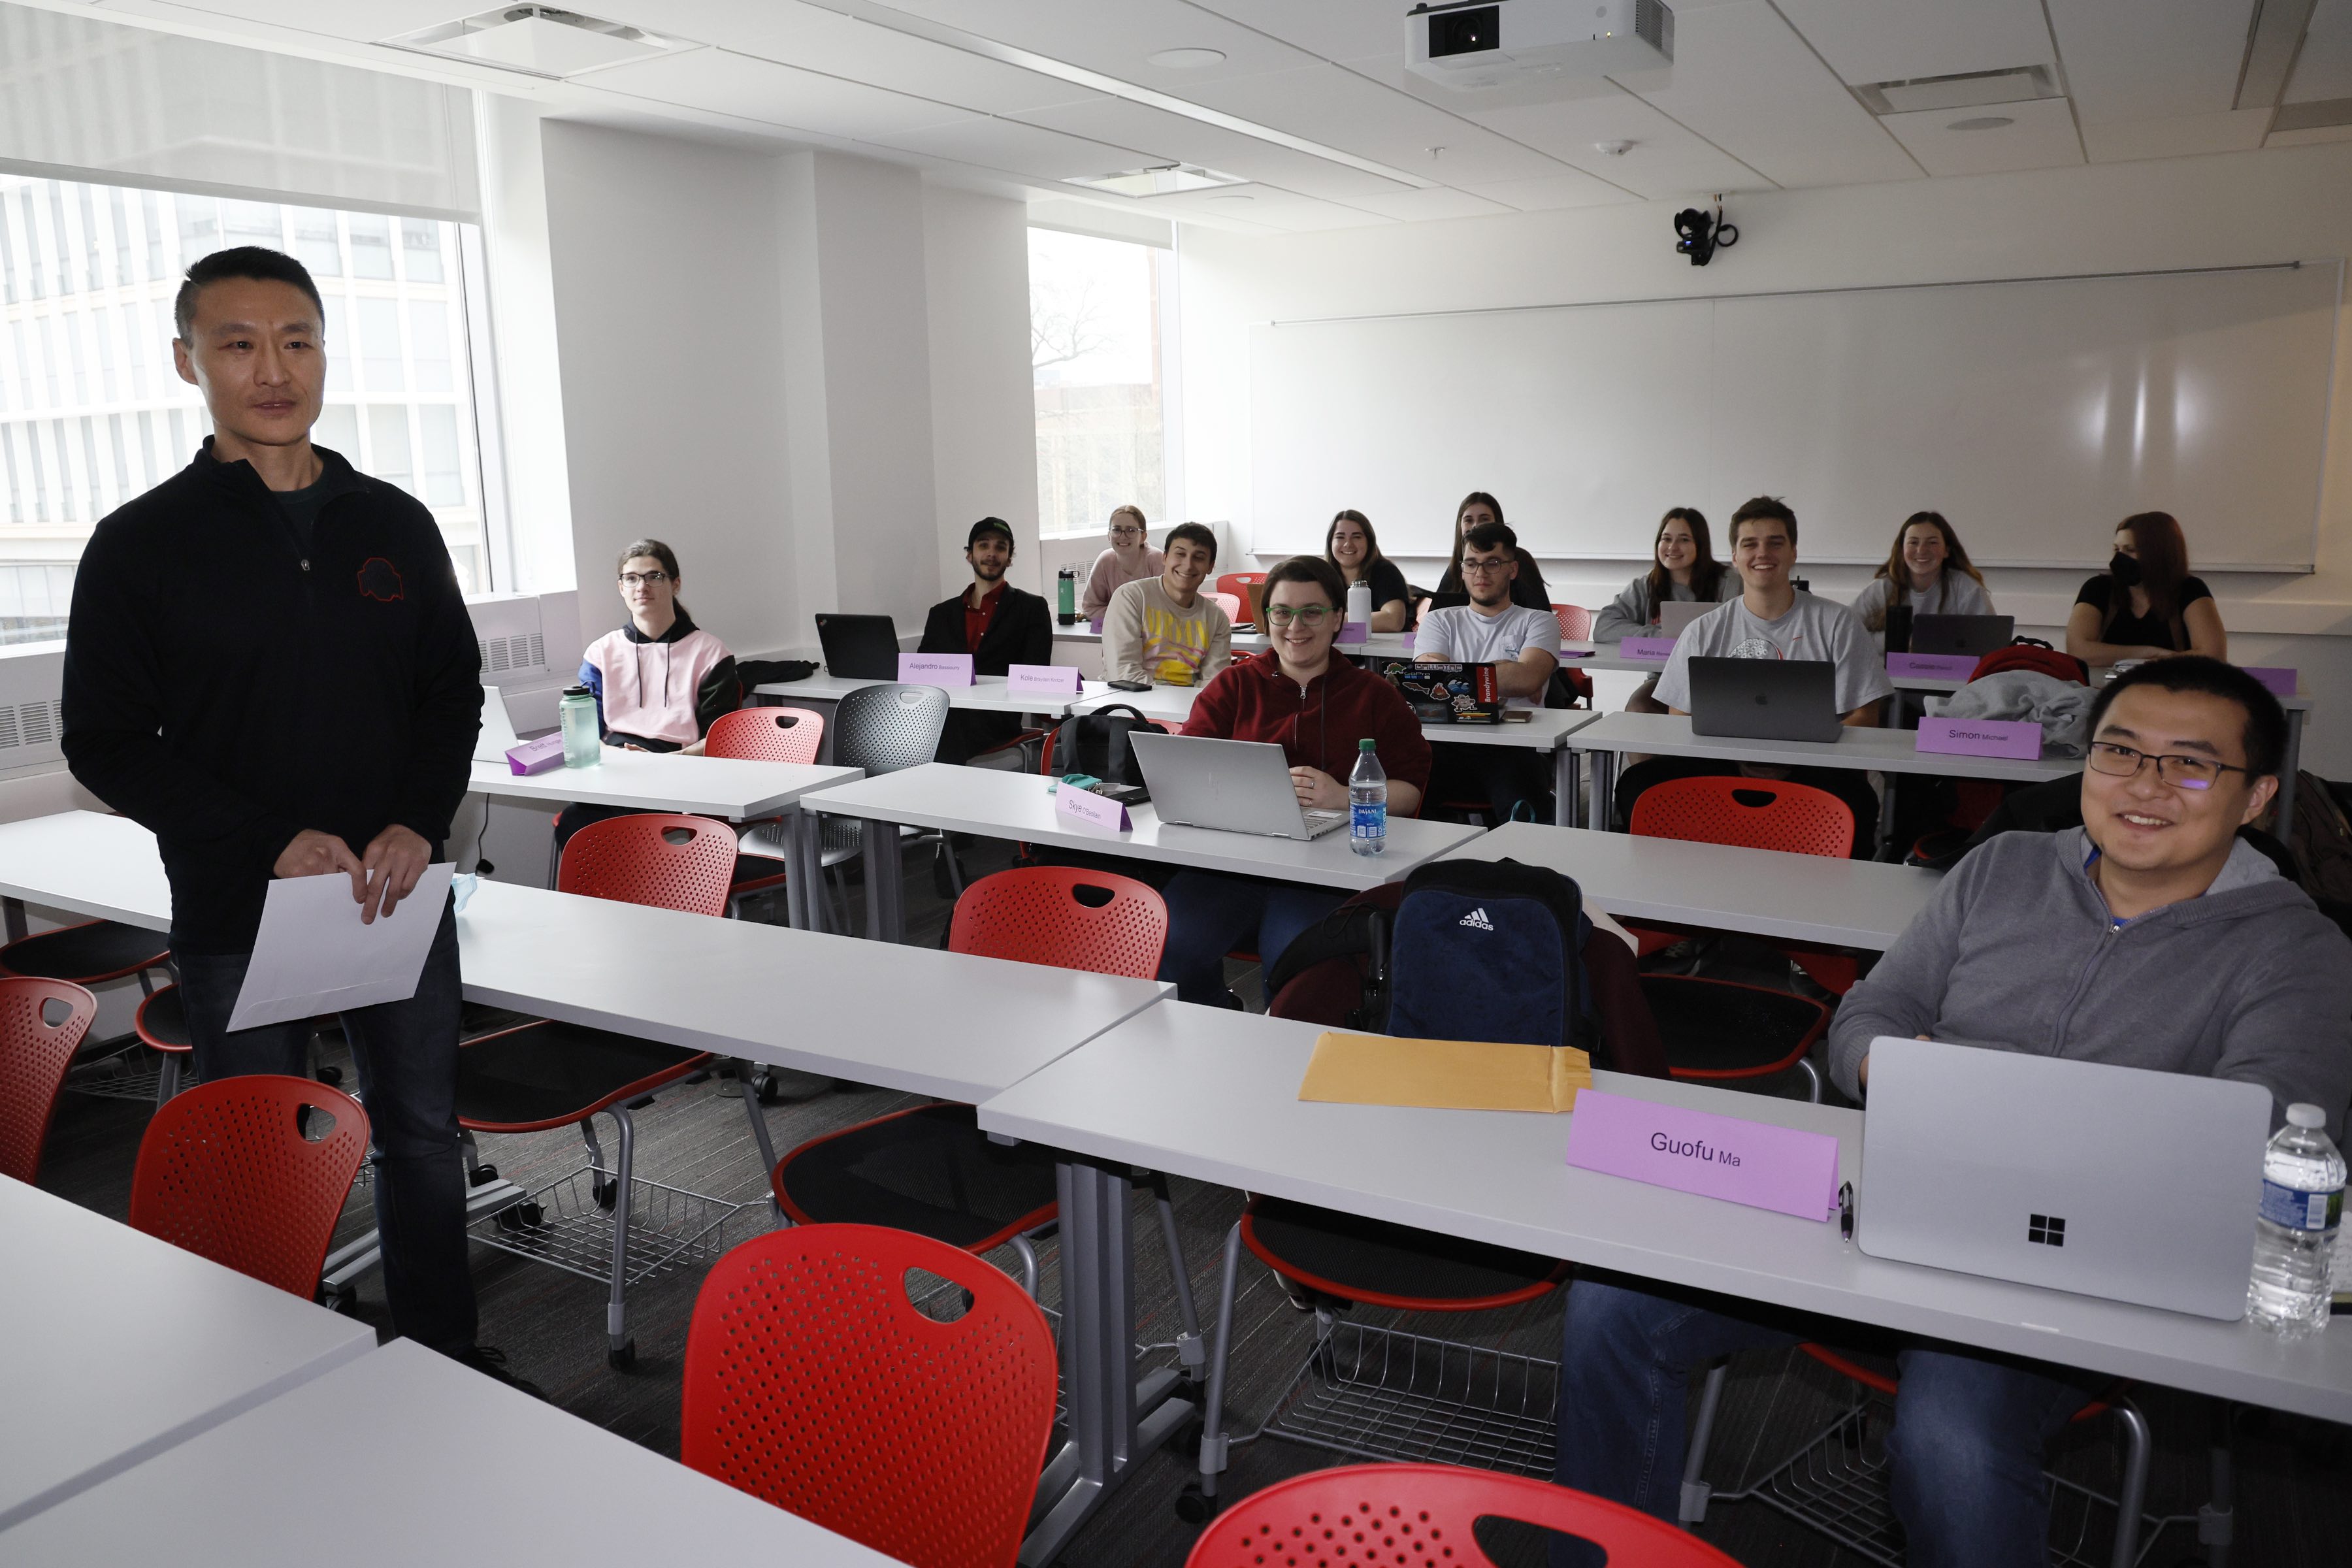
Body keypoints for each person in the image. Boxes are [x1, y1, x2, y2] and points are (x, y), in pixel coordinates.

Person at [1553, 659, 2352, 1568]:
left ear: (2256, 798)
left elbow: (2268, 1131)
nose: (2145, 785)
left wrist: (2018, 1125)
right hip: (1894, 1205)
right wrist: (1897, 1072)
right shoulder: (2007, 867)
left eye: (2190, 765)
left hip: (2083, 1270)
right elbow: (1869, 1015)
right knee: (1614, 1301)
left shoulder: (2294, 947)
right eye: (2120, 752)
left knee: (1951, 1435)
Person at [59, 246, 522, 1386]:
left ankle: (442, 1356)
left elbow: (446, 693)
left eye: (297, 341)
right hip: (240, 905)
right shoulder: (139, 544)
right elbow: (104, 742)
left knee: (418, 1137)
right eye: (239, 343)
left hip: (396, 894)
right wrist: (266, 840)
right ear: (188, 362)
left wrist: (419, 820)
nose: (274, 369)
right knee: (263, 1152)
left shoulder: (393, 523)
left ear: (323, 353)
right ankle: (272, 1385)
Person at [1160, 556, 1431, 1005]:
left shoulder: (1375, 696)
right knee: (1171, 943)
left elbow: (1411, 792)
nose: (1295, 626)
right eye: (1282, 612)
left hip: (1329, 872)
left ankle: (1286, 1060)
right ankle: (1217, 1018)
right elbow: (1187, 769)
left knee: (1293, 965)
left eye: (1312, 612)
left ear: (1338, 618)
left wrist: (1346, 796)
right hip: (1232, 864)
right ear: (1267, 618)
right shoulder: (1232, 687)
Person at [1635, 497, 1893, 854]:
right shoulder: (1705, 630)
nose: (1763, 553)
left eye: (1776, 543)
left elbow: (1866, 716)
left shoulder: (1837, 623)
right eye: (1750, 544)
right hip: (1723, 766)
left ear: (1793, 552)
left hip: (1812, 768)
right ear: (1735, 557)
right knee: (1638, 786)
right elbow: (1680, 717)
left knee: (1859, 802)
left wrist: (1801, 752)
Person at [553, 540, 743, 847]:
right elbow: (585, 733)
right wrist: (626, 762)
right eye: (631, 578)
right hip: (615, 767)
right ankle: (608, 896)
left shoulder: (710, 652)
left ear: (676, 584)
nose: (642, 587)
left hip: (680, 770)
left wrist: (663, 762)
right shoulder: (602, 652)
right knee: (577, 825)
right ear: (621, 587)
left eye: (654, 577)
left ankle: (638, 892)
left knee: (606, 827)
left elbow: (721, 738)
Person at [1415, 519, 1562, 822]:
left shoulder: (1538, 621)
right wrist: (1505, 673)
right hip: (1448, 744)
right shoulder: (1439, 620)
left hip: (1515, 746)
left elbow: (1528, 678)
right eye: (1472, 563)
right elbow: (1431, 680)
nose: (1480, 573)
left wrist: (1459, 677)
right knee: (1409, 778)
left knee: (1521, 805)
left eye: (1492, 563)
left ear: (1513, 569)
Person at [917, 516, 1054, 765]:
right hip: (944, 710)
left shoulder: (1032, 608)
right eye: (983, 545)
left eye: (1001, 547)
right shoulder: (941, 613)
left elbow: (1035, 672)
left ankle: (936, 798)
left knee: (943, 728)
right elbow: (921, 671)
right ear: (970, 555)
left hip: (996, 716)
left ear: (1009, 558)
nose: (992, 553)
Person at [2066, 512, 2227, 665]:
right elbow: (2078, 650)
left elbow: (2213, 655)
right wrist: (2151, 653)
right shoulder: (2098, 588)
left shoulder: (2190, 589)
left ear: (2158, 554)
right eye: (2117, 549)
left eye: (2130, 550)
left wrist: (2141, 662)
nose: (2119, 558)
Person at [1103, 521, 1233, 687]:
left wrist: (1189, 707)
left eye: (1199, 558)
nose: (1188, 565)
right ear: (1165, 558)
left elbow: (1215, 685)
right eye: (1180, 554)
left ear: (1210, 566)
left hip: (1191, 709)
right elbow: (1123, 673)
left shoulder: (1217, 618)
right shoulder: (1132, 597)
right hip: (1132, 705)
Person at [1590, 507, 1736, 646]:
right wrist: (1659, 636)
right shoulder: (1646, 585)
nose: (1673, 547)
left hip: (1708, 672)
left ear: (1700, 545)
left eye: (1684, 540)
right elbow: (1604, 628)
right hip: (1661, 673)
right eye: (1666, 539)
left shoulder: (1728, 581)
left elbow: (1736, 633)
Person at [1851, 510, 1995, 645]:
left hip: (1952, 671)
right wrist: (1900, 641)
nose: (1921, 550)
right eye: (1913, 542)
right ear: (1902, 550)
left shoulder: (1967, 589)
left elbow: (1990, 640)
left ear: (1947, 550)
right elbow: (1847, 633)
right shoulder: (1882, 588)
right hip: (1889, 671)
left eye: (1932, 543)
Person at [1430, 491, 1550, 613]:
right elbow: (1438, 613)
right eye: (1469, 520)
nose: (1475, 526)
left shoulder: (1521, 559)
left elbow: (1541, 612)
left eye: (1484, 519)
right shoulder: (1456, 565)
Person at [1324, 510, 1411, 633]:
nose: (1348, 544)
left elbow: (1393, 621)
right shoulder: (1321, 575)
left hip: (1381, 650)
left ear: (1369, 542)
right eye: (1340, 537)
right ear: (1330, 543)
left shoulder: (1386, 572)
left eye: (1357, 537)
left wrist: (1331, 620)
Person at [1079, 504, 1163, 621]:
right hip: (1119, 630)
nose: (1123, 536)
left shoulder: (1157, 560)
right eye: (1117, 530)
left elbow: (1171, 607)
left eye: (1131, 530)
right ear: (1109, 536)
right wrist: (1127, 618)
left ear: (1143, 537)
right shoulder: (1105, 561)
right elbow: (1090, 608)